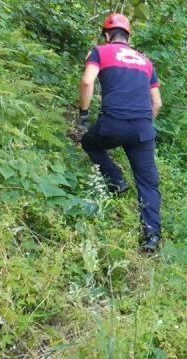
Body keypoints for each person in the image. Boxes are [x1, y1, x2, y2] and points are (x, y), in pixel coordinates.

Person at [77, 13, 163, 252]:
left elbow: (87, 82)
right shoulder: (146, 62)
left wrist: (83, 116)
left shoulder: (100, 52)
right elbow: (157, 103)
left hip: (113, 124)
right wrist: (143, 123)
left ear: (107, 34)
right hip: (143, 128)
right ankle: (152, 237)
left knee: (90, 143)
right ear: (128, 36)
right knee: (148, 183)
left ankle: (116, 180)